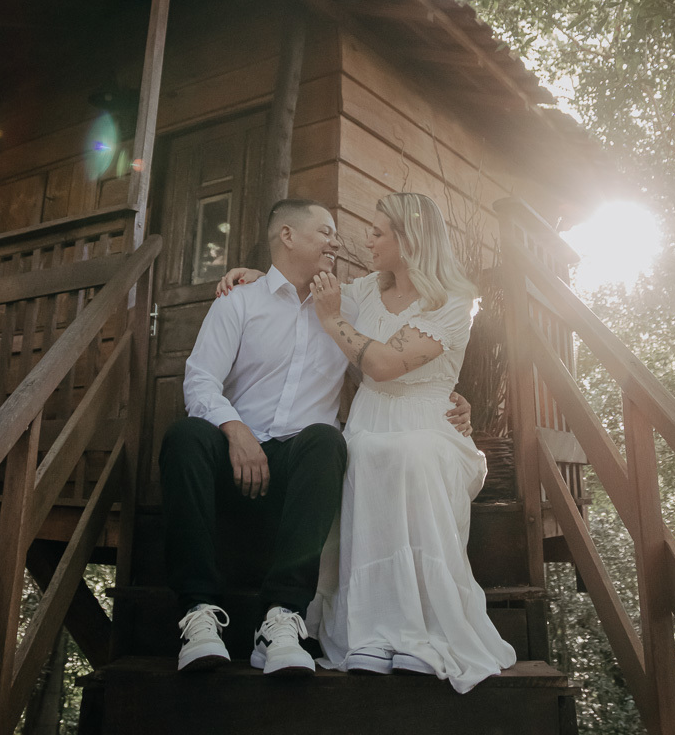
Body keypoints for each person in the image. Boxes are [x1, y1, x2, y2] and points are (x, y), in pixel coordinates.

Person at [159, 198, 472, 677]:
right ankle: (198, 614)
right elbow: (200, 379)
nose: (338, 241)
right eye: (326, 232)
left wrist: (450, 396)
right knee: (184, 438)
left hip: (300, 463)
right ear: (287, 236)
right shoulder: (241, 300)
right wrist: (235, 430)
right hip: (235, 452)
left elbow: (395, 349)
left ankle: (282, 617)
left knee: (328, 440)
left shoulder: (350, 305)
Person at [220, 192, 516, 694]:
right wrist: (255, 274)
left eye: (378, 232)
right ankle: (368, 631)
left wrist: (333, 321)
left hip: (428, 421)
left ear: (409, 239)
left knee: (411, 456)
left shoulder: (453, 301)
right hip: (370, 419)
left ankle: (417, 631)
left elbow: (382, 365)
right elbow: (304, 286)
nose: (368, 239)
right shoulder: (364, 291)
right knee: (357, 455)